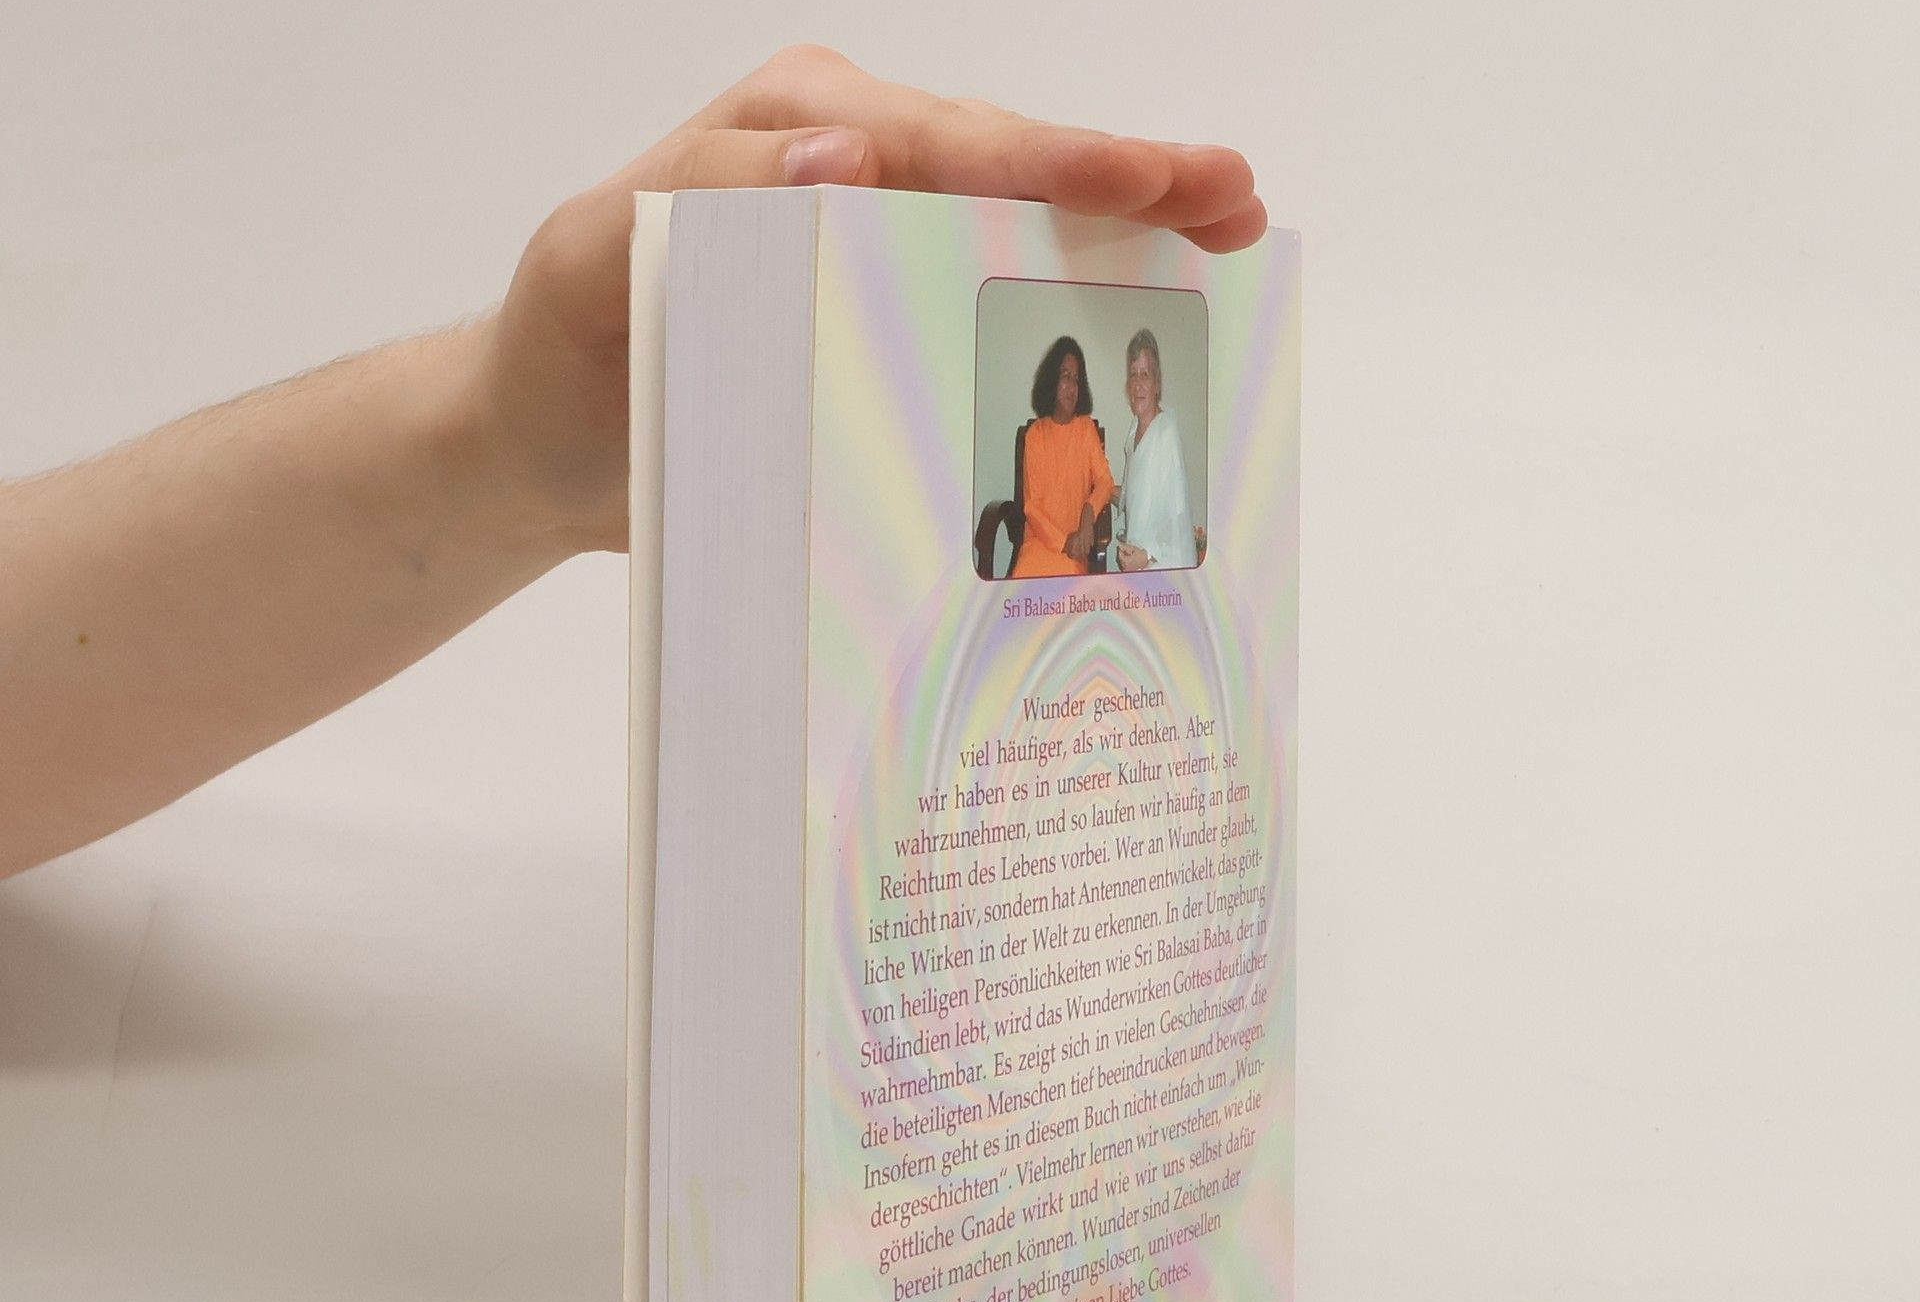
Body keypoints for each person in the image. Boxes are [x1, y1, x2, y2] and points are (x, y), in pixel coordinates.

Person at [0, 47, 1263, 881]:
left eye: (1107, 381)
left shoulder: (1109, 451)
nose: (1094, 389)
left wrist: (501, 445)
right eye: (1085, 378)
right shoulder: (1045, 439)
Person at [1008, 336, 1116, 578]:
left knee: (1067, 580)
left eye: (1077, 379)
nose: (1072, 386)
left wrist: (1088, 512)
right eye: (1066, 376)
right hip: (1040, 543)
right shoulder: (1035, 435)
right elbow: (1032, 507)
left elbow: (1105, 481)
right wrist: (1063, 541)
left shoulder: (1085, 429)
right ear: (1051, 380)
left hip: (1076, 547)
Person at [1112, 327, 1196, 572]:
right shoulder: (1134, 430)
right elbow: (1135, 497)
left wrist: (1147, 556)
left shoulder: (1166, 434)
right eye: (1133, 375)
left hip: (1163, 568)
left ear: (1157, 384)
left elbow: (1177, 517)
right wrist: (1098, 488)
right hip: (1137, 560)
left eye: (1145, 375)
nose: (1138, 385)